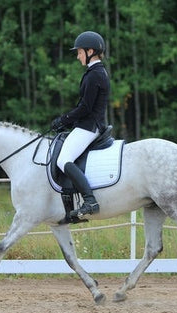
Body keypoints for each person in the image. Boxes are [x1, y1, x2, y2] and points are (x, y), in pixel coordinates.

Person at [51, 31, 110, 219]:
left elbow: (85, 107)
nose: (78, 56)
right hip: (87, 124)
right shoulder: (94, 73)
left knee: (62, 160)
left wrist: (64, 119)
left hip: (89, 127)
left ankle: (90, 200)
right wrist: (69, 121)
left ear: (90, 51)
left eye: (79, 52)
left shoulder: (95, 75)